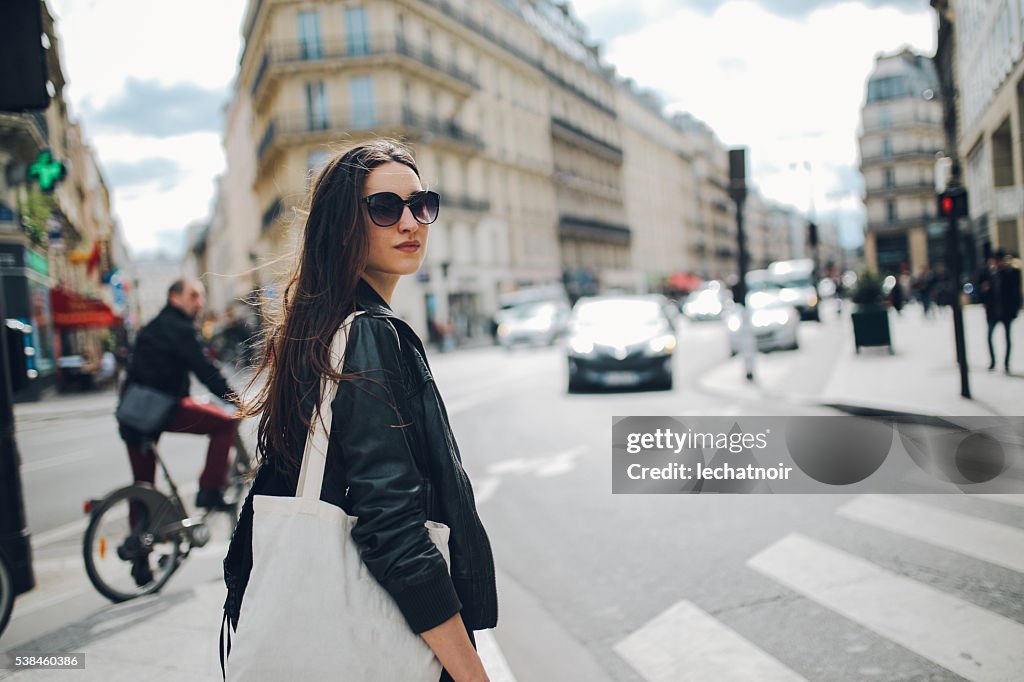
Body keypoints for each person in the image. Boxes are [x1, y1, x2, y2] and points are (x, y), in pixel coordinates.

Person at [223, 139, 497, 681]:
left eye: (421, 205)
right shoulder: (369, 332)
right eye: (385, 207)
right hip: (384, 641)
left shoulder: (319, 326)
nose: (410, 223)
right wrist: (471, 674)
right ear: (344, 222)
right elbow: (393, 529)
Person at [119, 279, 240, 512]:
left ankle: (138, 543)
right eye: (193, 295)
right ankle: (210, 489)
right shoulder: (179, 328)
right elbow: (205, 369)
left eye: (201, 296)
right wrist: (235, 401)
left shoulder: (155, 325)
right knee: (225, 424)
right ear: (175, 298)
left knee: (144, 487)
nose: (200, 302)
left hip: (133, 415)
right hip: (161, 408)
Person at [978, 248, 1023, 373]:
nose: (998, 263)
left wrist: (1016, 309)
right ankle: (993, 361)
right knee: (989, 337)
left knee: (1007, 338)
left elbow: (1016, 293)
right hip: (993, 312)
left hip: (1006, 311)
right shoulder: (988, 274)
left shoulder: (1012, 273)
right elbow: (980, 293)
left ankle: (1006, 363)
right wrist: (984, 290)